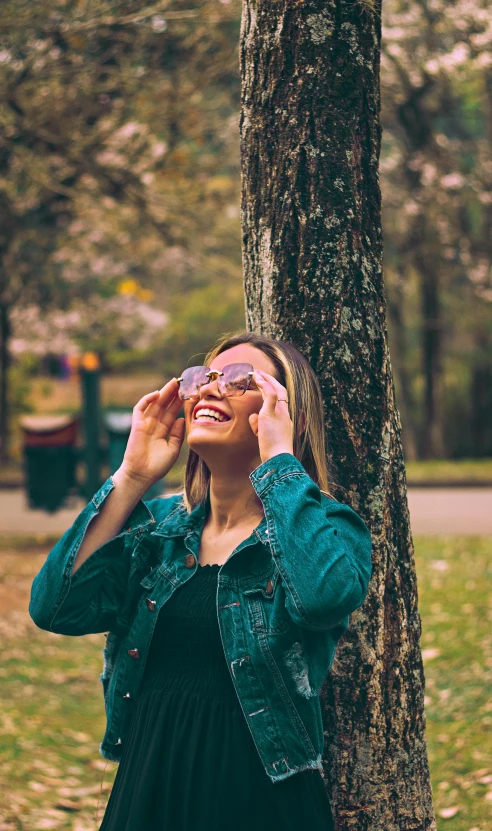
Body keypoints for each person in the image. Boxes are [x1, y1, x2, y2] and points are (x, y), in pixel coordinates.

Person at [29, 330, 373, 831]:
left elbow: (323, 598)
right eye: (201, 378)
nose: (210, 389)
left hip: (258, 803)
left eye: (237, 380)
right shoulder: (160, 535)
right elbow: (55, 607)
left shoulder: (325, 529)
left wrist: (279, 461)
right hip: (149, 789)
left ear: (282, 411)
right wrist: (131, 478)